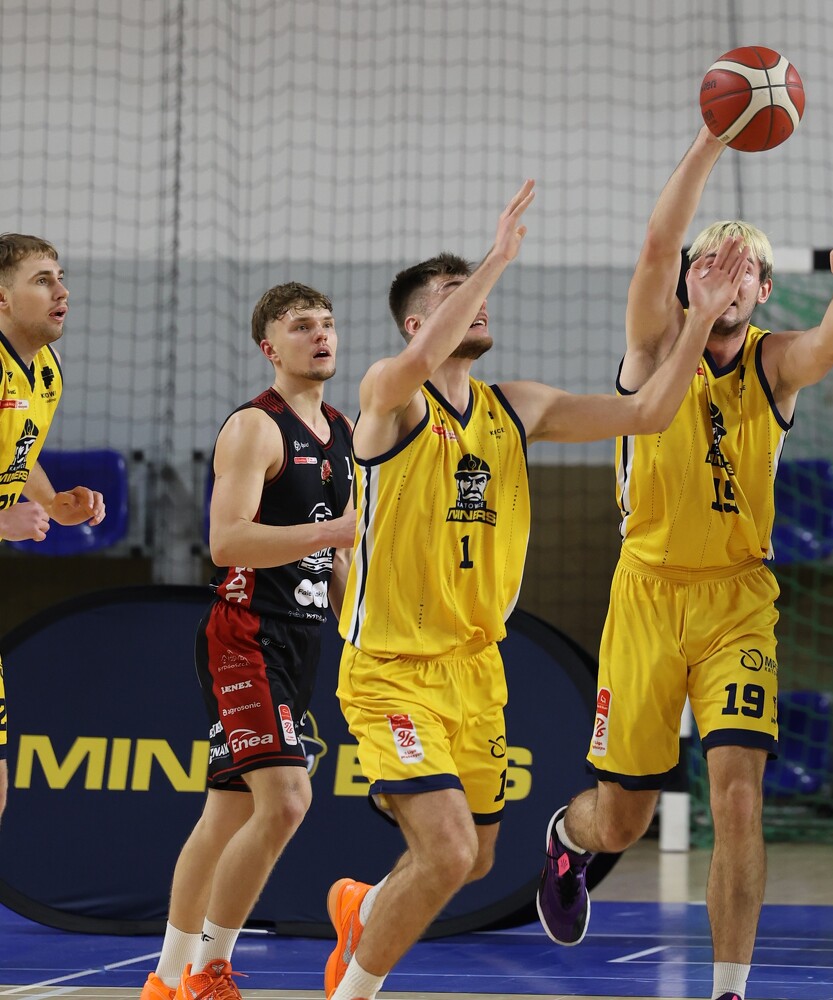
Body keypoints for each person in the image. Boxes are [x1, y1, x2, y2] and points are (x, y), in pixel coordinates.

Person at [322, 181, 756, 1000]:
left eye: (477, 291)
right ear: (417, 325)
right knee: (449, 851)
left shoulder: (515, 408)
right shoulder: (390, 398)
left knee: (476, 860)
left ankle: (365, 906)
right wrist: (494, 259)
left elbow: (648, 414)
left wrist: (698, 320)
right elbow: (412, 365)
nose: (478, 302)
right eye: (453, 296)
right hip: (390, 672)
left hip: (476, 670)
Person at [534, 126, 833, 1000]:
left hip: (738, 604)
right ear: (689, 280)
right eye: (710, 263)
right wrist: (712, 136)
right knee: (624, 820)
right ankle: (569, 841)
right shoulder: (657, 344)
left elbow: (829, 346)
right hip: (645, 596)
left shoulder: (773, 361)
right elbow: (658, 245)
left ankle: (729, 989)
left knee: (737, 797)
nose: (725, 275)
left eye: (743, 267)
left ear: (762, 290)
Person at [136, 282, 357, 1000]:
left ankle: (165, 978)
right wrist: (332, 533)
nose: (320, 335)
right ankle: (208, 970)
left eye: (327, 324)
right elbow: (226, 541)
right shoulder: (255, 427)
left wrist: (358, 628)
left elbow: (341, 555)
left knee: (226, 812)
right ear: (270, 347)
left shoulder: (344, 430)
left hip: (303, 637)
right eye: (302, 326)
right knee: (287, 802)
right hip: (245, 634)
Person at [0, 233, 106, 827]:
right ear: (2, 299)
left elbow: (20, 450)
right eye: (42, 280)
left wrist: (52, 502)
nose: (62, 291)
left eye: (60, 277)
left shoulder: (46, 371)